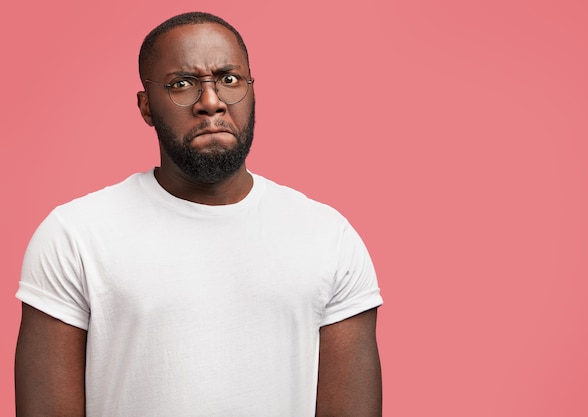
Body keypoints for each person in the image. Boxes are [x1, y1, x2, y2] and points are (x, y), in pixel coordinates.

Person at [15, 11, 383, 417]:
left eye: (228, 79)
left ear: (252, 90)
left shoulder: (327, 237)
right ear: (146, 107)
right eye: (182, 84)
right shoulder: (74, 236)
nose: (211, 102)